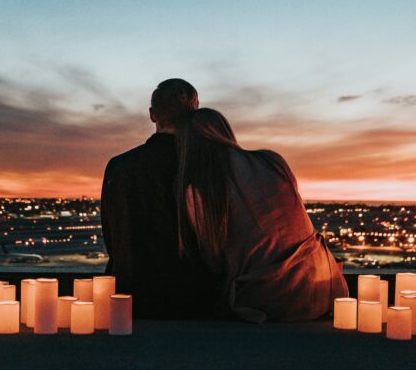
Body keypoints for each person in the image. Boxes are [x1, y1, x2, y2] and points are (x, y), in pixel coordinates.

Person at [175, 108, 348, 322]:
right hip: (326, 288)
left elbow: (213, 261)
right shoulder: (272, 161)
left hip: (272, 300)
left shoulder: (200, 191)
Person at [101, 79, 218, 318]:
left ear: (153, 115)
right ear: (194, 115)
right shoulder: (205, 166)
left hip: (129, 296)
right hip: (191, 299)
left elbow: (112, 239)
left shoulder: (119, 166)